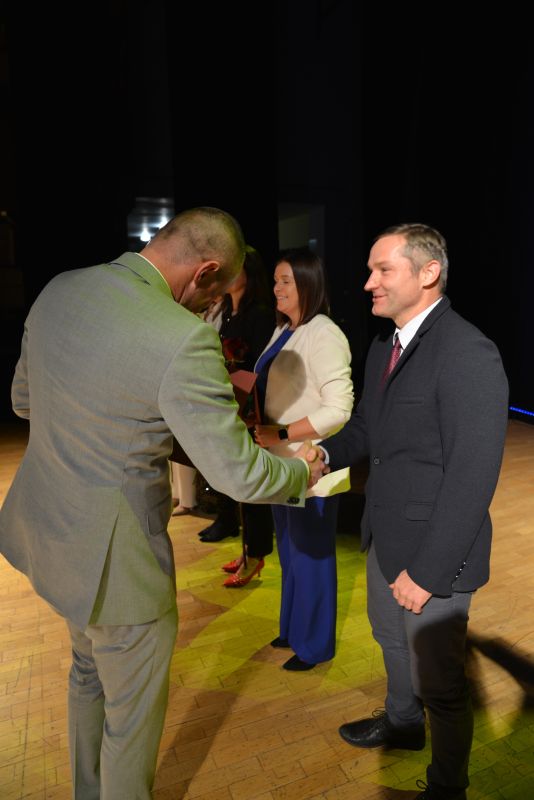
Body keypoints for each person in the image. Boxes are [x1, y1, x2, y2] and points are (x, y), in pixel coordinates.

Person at [0, 207, 326, 800]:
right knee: (129, 719)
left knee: (86, 672)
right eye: (213, 296)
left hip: (49, 534)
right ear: (205, 273)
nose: (208, 308)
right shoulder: (184, 337)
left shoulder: (60, 288)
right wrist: (301, 472)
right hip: (114, 564)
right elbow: (237, 475)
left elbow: (25, 401)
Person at [314, 224, 509, 800]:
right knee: (390, 641)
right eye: (370, 270)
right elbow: (368, 429)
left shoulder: (468, 351)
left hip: (434, 555)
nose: (367, 282)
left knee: (441, 682)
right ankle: (402, 725)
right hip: (384, 535)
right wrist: (324, 454)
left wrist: (427, 573)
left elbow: (472, 477)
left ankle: (448, 787)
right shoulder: (385, 344)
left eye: (382, 270)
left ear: (428, 273)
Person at [253, 246, 354, 670]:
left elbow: (339, 409)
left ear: (308, 284)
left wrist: (280, 433)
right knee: (291, 550)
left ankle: (314, 645)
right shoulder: (285, 329)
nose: (277, 288)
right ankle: (294, 629)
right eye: (275, 280)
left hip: (310, 463)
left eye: (286, 282)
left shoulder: (324, 333)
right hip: (281, 463)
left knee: (311, 554)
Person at [198, 247, 277, 591]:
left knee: (252, 484)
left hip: (251, 407)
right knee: (238, 482)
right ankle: (247, 550)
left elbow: (259, 364)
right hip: (231, 403)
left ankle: (256, 554)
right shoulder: (229, 311)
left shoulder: (259, 313)